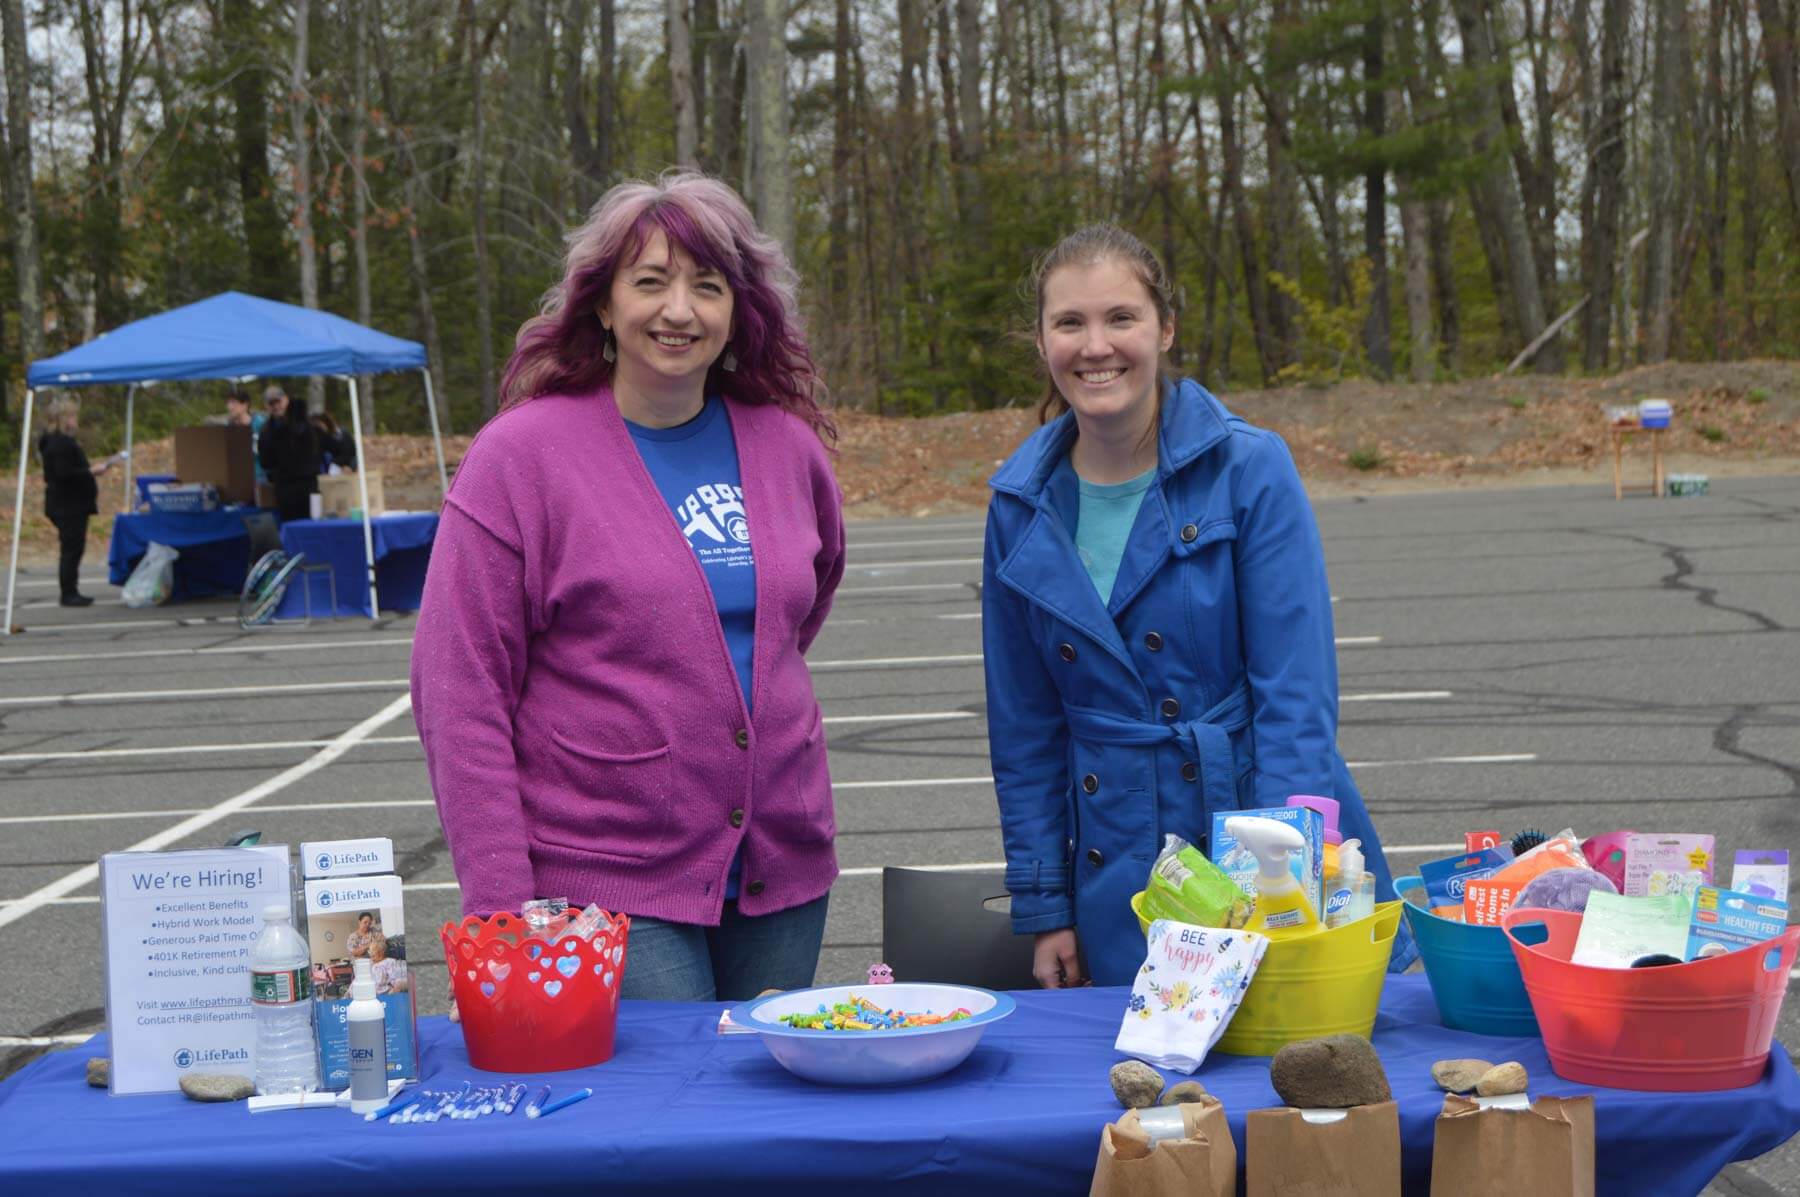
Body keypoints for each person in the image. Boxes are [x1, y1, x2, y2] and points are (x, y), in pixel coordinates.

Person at [410, 171, 845, 1004]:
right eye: (650, 281)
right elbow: (459, 690)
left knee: (765, 1120)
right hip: (604, 884)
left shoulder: (788, 451)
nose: (679, 310)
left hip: (783, 870)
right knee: (665, 1118)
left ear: (737, 312)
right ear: (603, 304)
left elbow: (797, 615)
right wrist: (502, 910)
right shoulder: (520, 460)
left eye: (707, 286)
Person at [982, 224, 1414, 989]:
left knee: (1297, 1075)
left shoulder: (1249, 468)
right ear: (1041, 340)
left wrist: (1281, 884)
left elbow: (1296, 698)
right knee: (1152, 1091)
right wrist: (1047, 904)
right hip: (1117, 864)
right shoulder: (1018, 504)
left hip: (1256, 821)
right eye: (1069, 322)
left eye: (1122, 317)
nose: (1096, 345)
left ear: (1166, 327)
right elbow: (1024, 731)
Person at [37, 396, 115, 607]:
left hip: (68, 503)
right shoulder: (60, 443)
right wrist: (90, 471)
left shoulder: (56, 442)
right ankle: (68, 592)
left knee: (73, 547)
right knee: (72, 548)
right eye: (71, 415)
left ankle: (71, 589)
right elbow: (63, 473)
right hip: (68, 504)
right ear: (62, 419)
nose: (75, 420)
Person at [257, 386, 320, 520]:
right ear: (266, 406)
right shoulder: (266, 430)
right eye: (271, 403)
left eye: (278, 402)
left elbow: (314, 449)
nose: (275, 406)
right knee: (289, 522)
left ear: (286, 400)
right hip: (284, 486)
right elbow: (264, 460)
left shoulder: (303, 423)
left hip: (307, 484)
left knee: (310, 522)